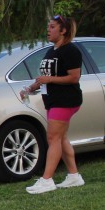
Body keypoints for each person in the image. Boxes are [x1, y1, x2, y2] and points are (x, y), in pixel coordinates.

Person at [20, 14, 85, 194]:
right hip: (52, 100)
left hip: (66, 100)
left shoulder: (70, 50)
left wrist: (50, 79)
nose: (48, 30)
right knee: (61, 138)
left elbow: (74, 77)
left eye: (52, 27)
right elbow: (46, 78)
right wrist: (30, 88)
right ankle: (74, 176)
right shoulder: (51, 51)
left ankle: (47, 180)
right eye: (48, 27)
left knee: (53, 138)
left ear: (63, 31)